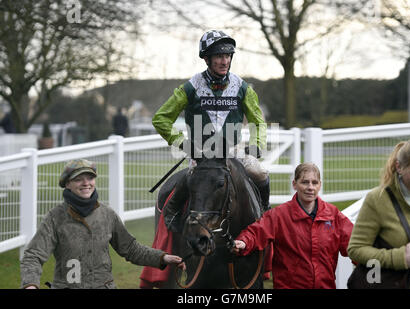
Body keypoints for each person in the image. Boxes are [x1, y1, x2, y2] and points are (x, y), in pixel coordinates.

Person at [151, 29, 269, 232]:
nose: (224, 61)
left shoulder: (242, 87)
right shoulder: (190, 87)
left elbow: (258, 121)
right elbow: (160, 119)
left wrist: (256, 145)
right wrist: (184, 144)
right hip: (200, 153)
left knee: (258, 172)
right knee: (191, 178)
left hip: (232, 152)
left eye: (227, 56)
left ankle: (265, 216)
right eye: (218, 56)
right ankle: (171, 214)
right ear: (206, 59)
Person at [20, 159, 185, 289]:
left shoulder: (107, 214)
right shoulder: (54, 218)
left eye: (90, 177)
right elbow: (33, 255)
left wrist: (163, 257)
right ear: (67, 184)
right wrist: (30, 285)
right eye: (78, 179)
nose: (86, 183)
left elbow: (131, 249)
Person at [347, 139, 410, 289]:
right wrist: (399, 258)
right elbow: (356, 249)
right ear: (399, 167)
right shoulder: (377, 199)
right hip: (395, 283)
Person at [232, 162, 353, 289]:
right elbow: (256, 232)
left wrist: (372, 260)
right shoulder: (279, 215)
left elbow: (355, 245)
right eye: (305, 182)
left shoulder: (334, 216)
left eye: (314, 183)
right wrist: (243, 242)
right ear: (294, 184)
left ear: (320, 185)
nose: (310, 187)